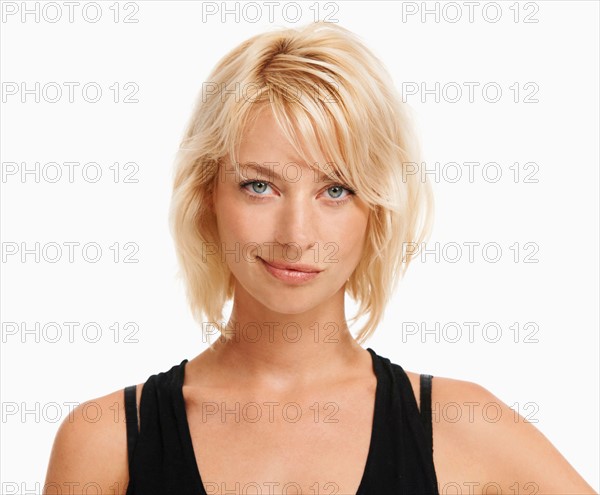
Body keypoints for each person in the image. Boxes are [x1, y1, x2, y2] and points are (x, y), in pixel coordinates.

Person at [43, 22, 597, 495]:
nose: (296, 235)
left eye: (336, 190)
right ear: (207, 194)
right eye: (260, 186)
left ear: (376, 209)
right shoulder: (104, 441)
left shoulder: (464, 426)